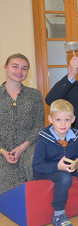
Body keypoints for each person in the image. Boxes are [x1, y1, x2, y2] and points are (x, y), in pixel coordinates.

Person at [0, 53, 45, 194]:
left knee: (32, 165)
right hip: (3, 149)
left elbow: (39, 125)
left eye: (24, 68)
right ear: (5, 67)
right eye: (15, 66)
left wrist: (22, 147)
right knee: (7, 186)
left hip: (29, 145)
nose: (19, 71)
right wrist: (2, 151)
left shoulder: (35, 95)